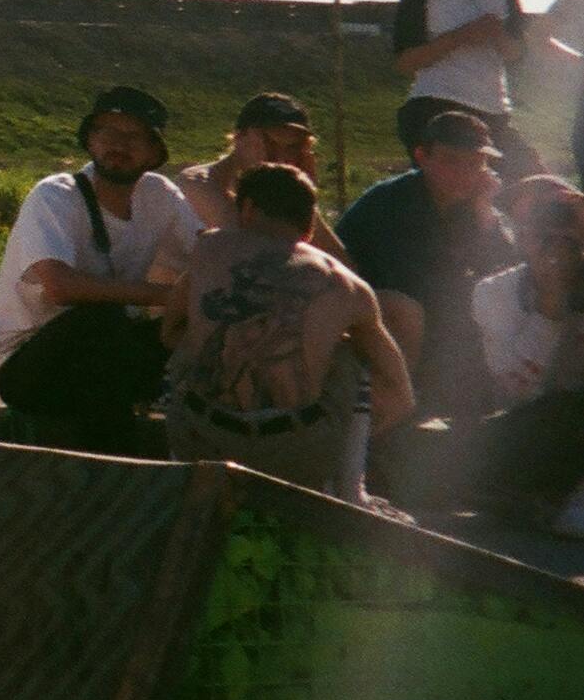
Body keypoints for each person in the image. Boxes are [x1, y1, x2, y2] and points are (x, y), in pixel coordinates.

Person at [160, 165, 413, 503]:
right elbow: (401, 394)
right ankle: (351, 490)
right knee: (350, 355)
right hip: (296, 451)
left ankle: (179, 478)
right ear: (310, 225)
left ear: (247, 208)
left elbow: (169, 332)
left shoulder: (209, 248)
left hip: (203, 438)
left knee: (189, 345)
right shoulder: (348, 285)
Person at [0, 87, 205, 451]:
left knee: (199, 328)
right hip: (25, 360)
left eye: (133, 136)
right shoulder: (54, 195)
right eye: (108, 132)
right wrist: (170, 296)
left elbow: (206, 253)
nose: (119, 145)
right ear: (90, 140)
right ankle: (115, 459)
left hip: (107, 349)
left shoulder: (159, 195)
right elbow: (60, 287)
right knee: (99, 321)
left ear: (154, 152)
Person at [336, 108, 517, 423]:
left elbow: (507, 272)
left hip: (430, 321)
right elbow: (418, 285)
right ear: (422, 156)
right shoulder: (392, 205)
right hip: (373, 319)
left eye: (474, 164)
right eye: (451, 160)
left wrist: (485, 210)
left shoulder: (470, 206)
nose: (463, 173)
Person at [390, 0, 571, 177]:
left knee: (539, 186)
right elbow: (405, 61)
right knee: (459, 191)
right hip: (436, 106)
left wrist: (497, 36)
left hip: (493, 112)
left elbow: (517, 53)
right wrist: (462, 36)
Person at [469, 176, 584, 536]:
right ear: (519, 236)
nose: (555, 242)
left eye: (565, 224)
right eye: (539, 228)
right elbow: (518, 390)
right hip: (538, 425)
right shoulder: (495, 292)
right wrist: (550, 307)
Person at [179, 92, 349, 263]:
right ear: (239, 137)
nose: (281, 158)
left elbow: (342, 267)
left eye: (293, 147)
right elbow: (253, 246)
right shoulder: (196, 183)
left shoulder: (270, 195)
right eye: (270, 144)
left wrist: (305, 198)